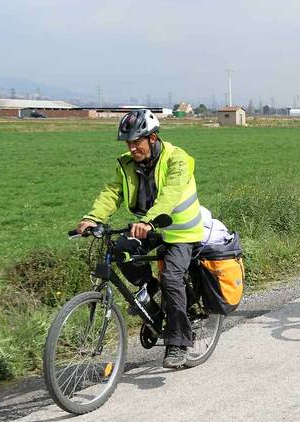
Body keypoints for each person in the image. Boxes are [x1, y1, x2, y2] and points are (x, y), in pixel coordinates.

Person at [76, 109, 203, 369]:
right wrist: (92, 218)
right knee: (121, 249)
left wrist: (148, 220)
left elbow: (170, 194)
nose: (132, 148)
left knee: (171, 277)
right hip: (150, 228)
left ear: (153, 138)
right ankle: (150, 291)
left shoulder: (177, 159)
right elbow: (112, 193)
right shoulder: (126, 164)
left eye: (137, 142)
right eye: (128, 143)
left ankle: (178, 342)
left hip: (180, 230)